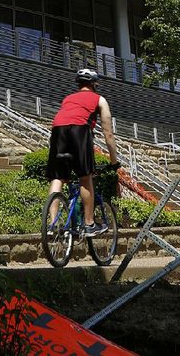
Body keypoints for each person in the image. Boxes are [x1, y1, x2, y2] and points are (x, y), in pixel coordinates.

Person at [46, 68, 120, 235]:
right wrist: (114, 162)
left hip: (58, 131)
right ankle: (89, 224)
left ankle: (52, 225)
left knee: (58, 177)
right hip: (79, 131)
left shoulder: (68, 99)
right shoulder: (99, 99)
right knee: (85, 178)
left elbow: (63, 118)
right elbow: (108, 134)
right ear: (95, 84)